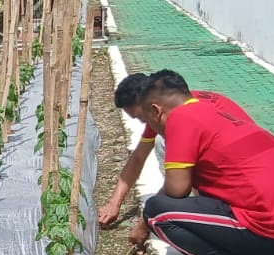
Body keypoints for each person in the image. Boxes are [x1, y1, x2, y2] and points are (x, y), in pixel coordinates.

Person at [109, 69, 274, 255]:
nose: (149, 127)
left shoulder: (180, 119)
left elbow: (177, 190)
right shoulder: (211, 107)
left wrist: (144, 224)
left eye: (145, 120)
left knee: (156, 213)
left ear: (156, 110)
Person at [97, 73, 254, 228]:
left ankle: (212, 212)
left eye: (142, 117)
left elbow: (177, 190)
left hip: (244, 182)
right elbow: (138, 157)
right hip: (255, 168)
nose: (144, 123)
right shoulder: (173, 106)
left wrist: (147, 221)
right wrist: (114, 203)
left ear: (151, 105)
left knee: (168, 151)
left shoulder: (181, 118)